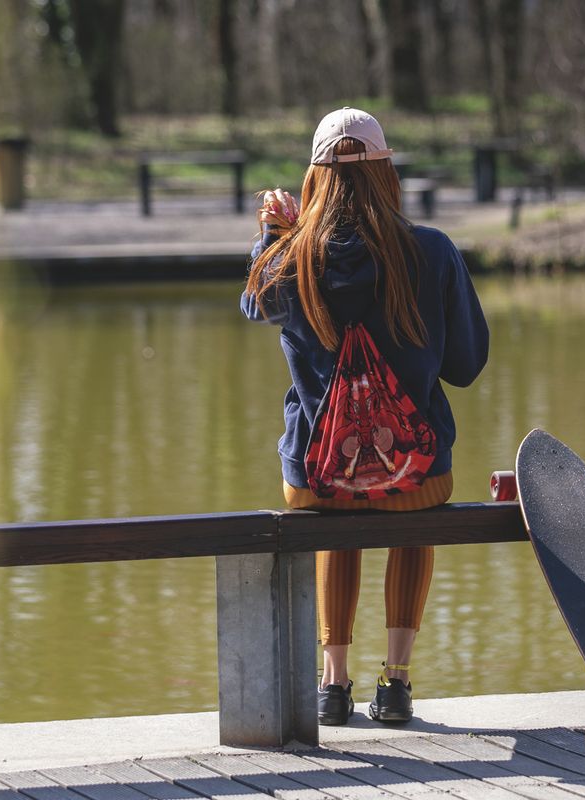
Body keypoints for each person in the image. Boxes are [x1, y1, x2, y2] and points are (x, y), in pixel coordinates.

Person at [240, 107, 488, 726]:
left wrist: (273, 234)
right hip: (416, 471)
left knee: (336, 507)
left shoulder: (292, 259)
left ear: (315, 178)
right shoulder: (430, 251)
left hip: (316, 479)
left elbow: (254, 303)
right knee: (413, 507)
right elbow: (465, 364)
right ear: (386, 173)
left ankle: (332, 685)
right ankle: (397, 683)